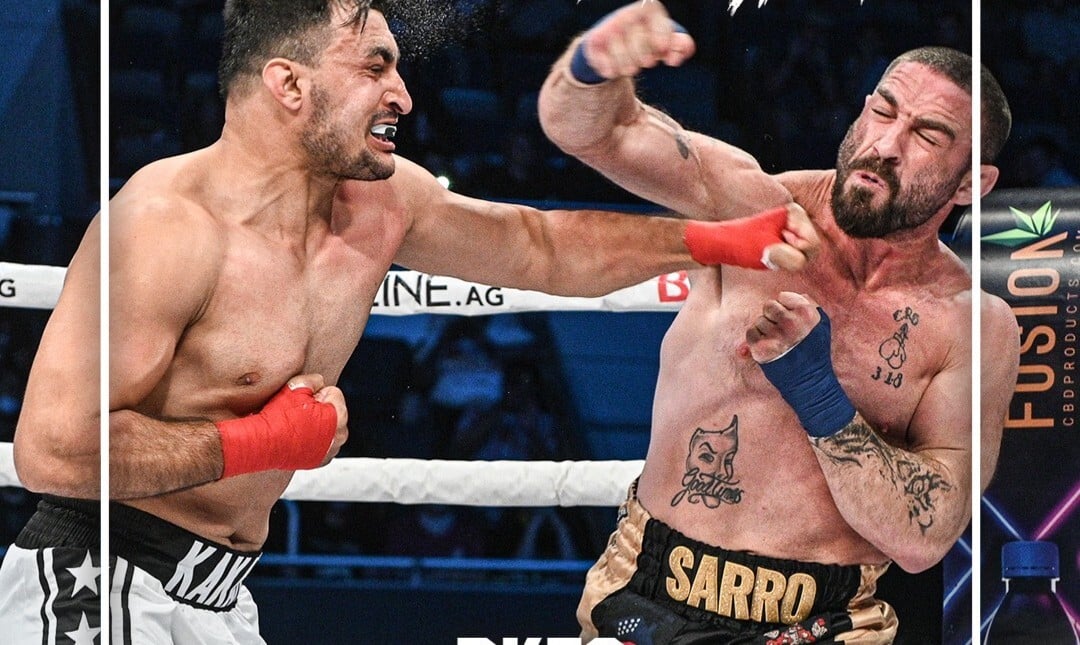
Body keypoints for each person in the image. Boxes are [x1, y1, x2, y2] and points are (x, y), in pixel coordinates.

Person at [0, 1, 817, 643]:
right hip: (94, 578)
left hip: (218, 596)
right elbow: (53, 450)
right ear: (289, 84)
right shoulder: (166, 226)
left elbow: (537, 245)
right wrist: (254, 445)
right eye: (375, 66)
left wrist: (706, 238)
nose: (404, 95)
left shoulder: (377, 202)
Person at [537, 2, 1020, 642]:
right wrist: (592, 66)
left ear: (970, 185)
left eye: (928, 136)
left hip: (828, 622)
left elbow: (922, 536)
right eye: (882, 110)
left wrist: (817, 391)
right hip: (648, 589)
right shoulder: (753, 207)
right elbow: (594, 132)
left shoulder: (971, 326)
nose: (885, 146)